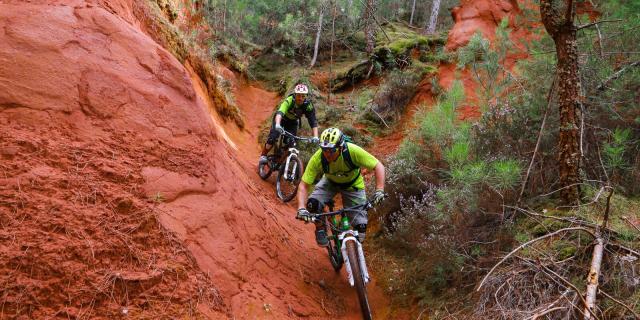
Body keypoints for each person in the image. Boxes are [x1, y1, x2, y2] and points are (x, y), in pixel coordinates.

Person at [295, 127, 386, 246]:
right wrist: (301, 208)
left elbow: (378, 166)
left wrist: (379, 190)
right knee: (313, 204)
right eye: (324, 149)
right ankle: (320, 228)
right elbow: (303, 185)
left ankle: (353, 253)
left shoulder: (352, 151)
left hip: (352, 185)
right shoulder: (319, 157)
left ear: (341, 146)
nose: (327, 154)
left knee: (361, 228)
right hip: (329, 182)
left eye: (331, 150)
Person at [259, 84, 319, 164]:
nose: (300, 98)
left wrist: (315, 136)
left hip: (292, 122)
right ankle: (263, 155)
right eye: (298, 95)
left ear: (306, 96)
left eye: (303, 96)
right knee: (273, 137)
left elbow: (313, 121)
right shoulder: (289, 100)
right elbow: (280, 112)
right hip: (281, 119)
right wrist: (277, 124)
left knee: (291, 142)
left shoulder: (308, 105)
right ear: (295, 95)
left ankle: (281, 161)